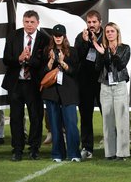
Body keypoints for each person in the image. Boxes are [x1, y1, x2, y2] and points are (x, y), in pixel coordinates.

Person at [2, 10, 49, 161]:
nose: (29, 25)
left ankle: (34, 149)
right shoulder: (13, 35)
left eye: (32, 22)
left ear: (38, 23)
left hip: (34, 84)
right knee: (16, 118)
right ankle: (17, 149)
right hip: (15, 83)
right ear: (23, 22)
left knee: (36, 117)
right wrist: (19, 58)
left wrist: (28, 60)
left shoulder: (44, 39)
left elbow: (44, 64)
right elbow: (6, 60)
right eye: (26, 22)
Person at [41, 24, 81, 162]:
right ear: (53, 36)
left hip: (68, 92)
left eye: (60, 35)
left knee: (71, 124)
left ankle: (74, 153)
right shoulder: (47, 51)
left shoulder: (72, 51)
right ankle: (57, 154)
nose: (58, 38)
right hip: (51, 93)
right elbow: (42, 74)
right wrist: (51, 60)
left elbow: (76, 72)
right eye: (56, 35)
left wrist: (63, 63)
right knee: (54, 125)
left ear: (64, 36)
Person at [93, 22, 131, 161]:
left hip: (120, 85)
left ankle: (122, 153)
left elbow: (121, 65)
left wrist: (113, 54)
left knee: (122, 119)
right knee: (107, 120)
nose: (109, 33)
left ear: (117, 33)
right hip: (105, 86)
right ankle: (109, 153)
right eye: (107, 31)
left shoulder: (124, 48)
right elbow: (97, 68)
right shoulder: (102, 48)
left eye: (112, 31)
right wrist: (103, 54)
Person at [74, 10, 103, 159]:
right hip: (85, 82)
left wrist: (95, 41)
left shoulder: (107, 34)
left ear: (100, 22)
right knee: (85, 116)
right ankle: (87, 147)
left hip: (103, 81)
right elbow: (76, 57)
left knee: (108, 115)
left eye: (94, 22)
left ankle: (112, 146)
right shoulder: (81, 37)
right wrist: (85, 43)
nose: (91, 25)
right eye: (89, 22)